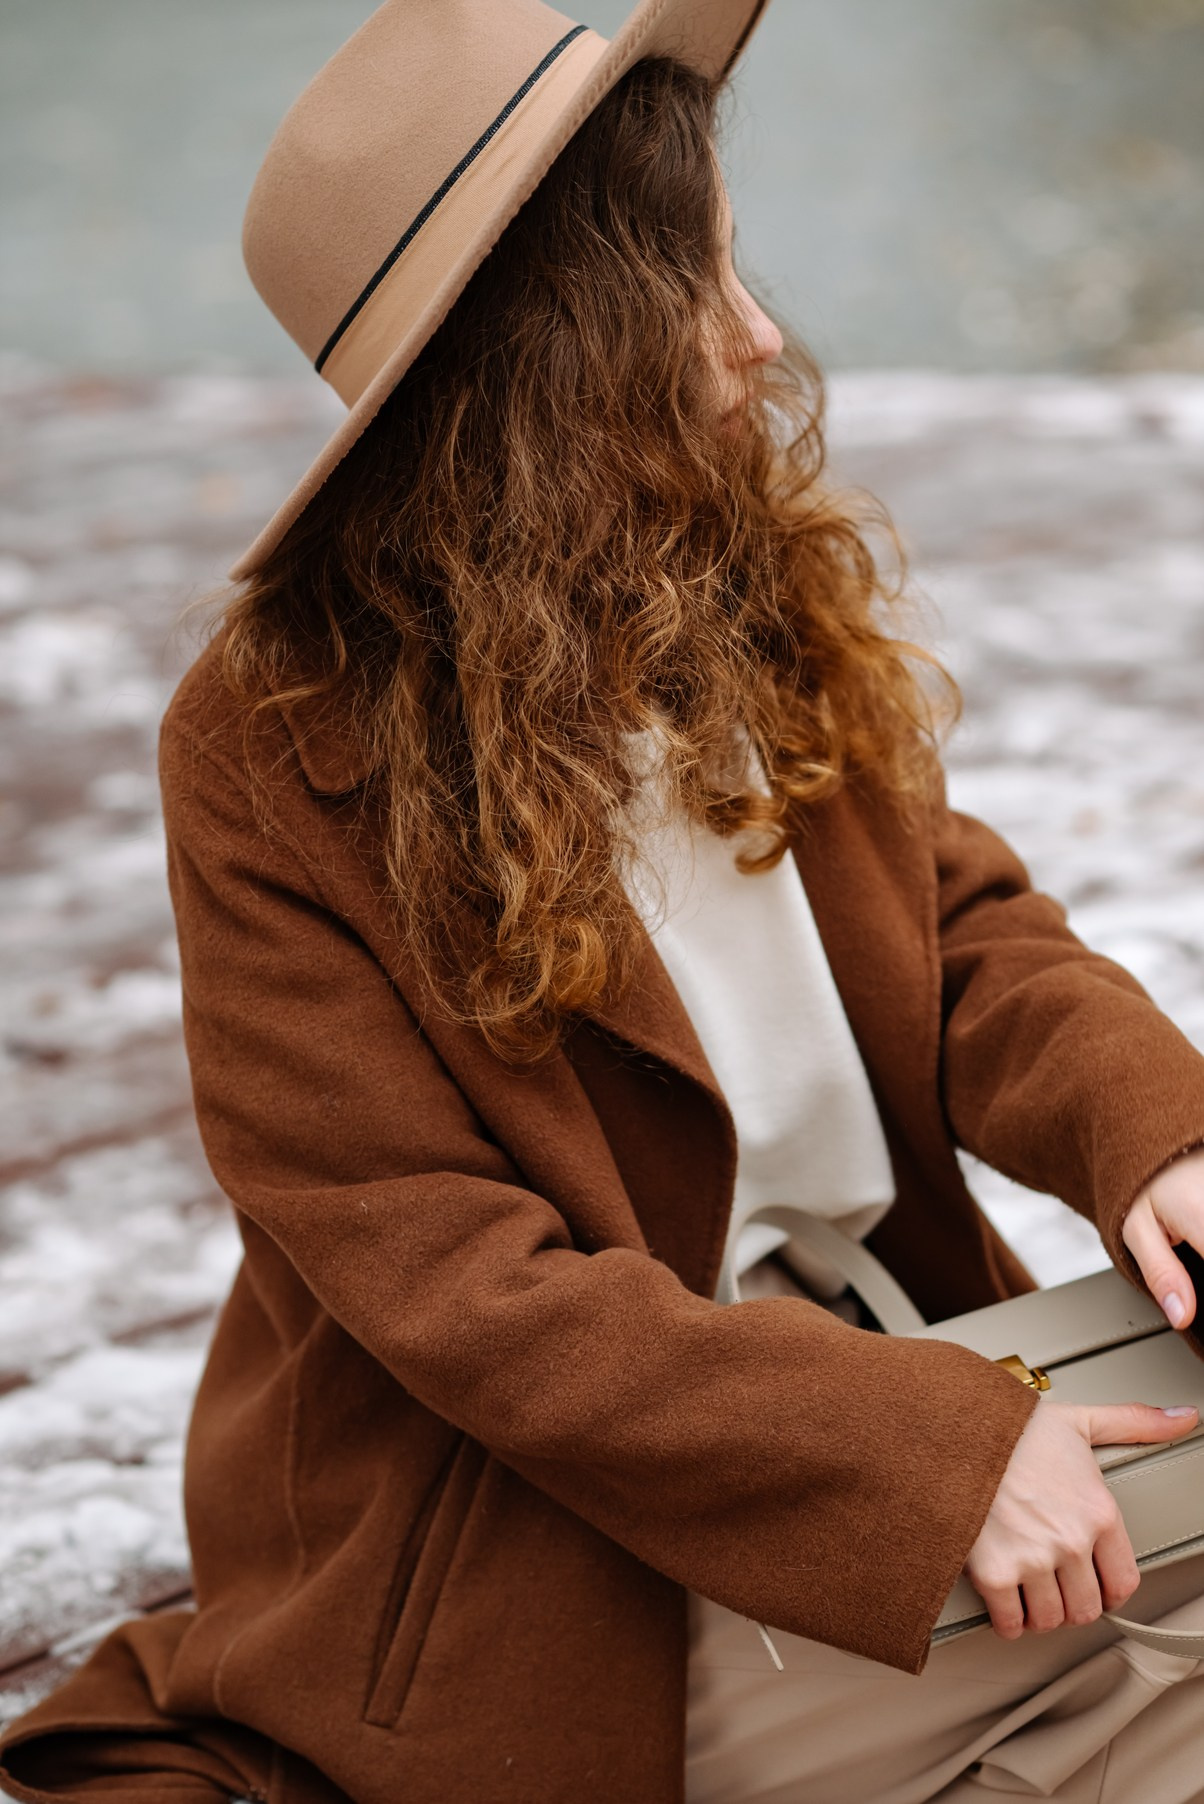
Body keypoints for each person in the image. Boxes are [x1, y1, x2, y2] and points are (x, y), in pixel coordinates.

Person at [4, 2, 1204, 1800]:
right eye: (697, 289)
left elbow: (956, 945)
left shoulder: (730, 568)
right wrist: (919, 1460)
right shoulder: (271, 756)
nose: (759, 337)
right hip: (560, 1555)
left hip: (893, 1364)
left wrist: (1156, 1136)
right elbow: (469, 1291)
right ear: (551, 355)